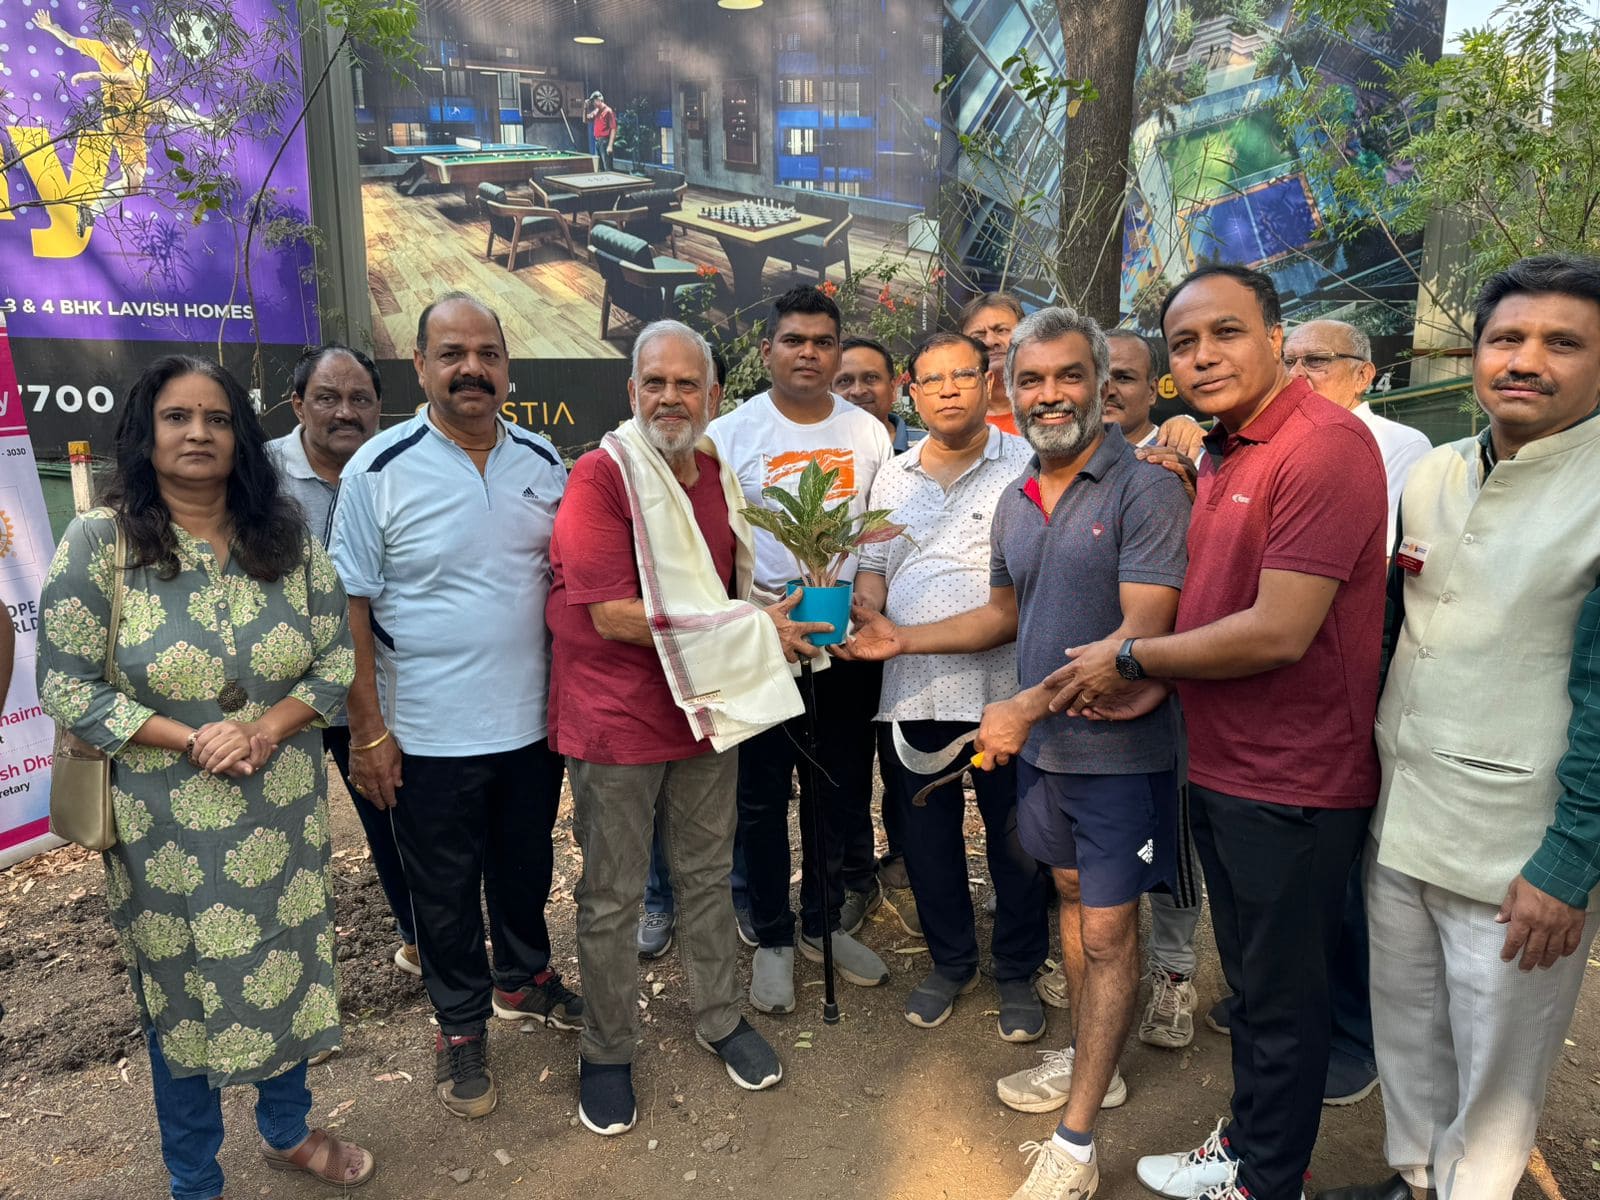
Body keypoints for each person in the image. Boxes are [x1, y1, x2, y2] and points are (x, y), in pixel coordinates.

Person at [1047, 266, 1387, 1200]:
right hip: (1226, 762)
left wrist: (1129, 660)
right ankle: (1246, 1144)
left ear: (1277, 338)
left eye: (1226, 333)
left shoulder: (1323, 446)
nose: (1203, 357)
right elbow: (1219, 590)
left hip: (1296, 778)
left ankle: (1268, 1180)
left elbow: (1278, 631)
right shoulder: (1229, 450)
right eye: (1185, 344)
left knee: (1284, 996)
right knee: (1251, 987)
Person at [846, 308, 1191, 1200]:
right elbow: (1004, 616)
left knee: (1108, 930)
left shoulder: (1145, 489)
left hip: (1119, 752)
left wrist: (1021, 707)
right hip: (1048, 751)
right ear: (1015, 391)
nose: (1050, 395)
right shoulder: (1019, 499)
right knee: (1072, 899)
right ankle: (1091, 1061)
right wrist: (903, 641)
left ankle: (1075, 1147)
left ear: (1103, 382)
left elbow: (1140, 635)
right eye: (1032, 380)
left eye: (1070, 376)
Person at [37, 355, 371, 1200]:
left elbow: (334, 661)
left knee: (287, 971)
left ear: (241, 436)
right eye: (177, 417)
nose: (198, 433)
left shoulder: (286, 539)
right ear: (145, 434)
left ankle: (288, 1130)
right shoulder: (101, 545)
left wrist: (264, 728)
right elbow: (68, 685)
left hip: (281, 811)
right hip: (165, 831)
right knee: (181, 997)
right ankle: (195, 1176)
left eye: (217, 419)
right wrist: (190, 739)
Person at [1324, 255, 1600, 1200]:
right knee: (1408, 1029)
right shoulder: (1435, 474)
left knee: (1496, 1068)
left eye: (1562, 343)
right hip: (1403, 814)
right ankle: (1416, 1180)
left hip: (1518, 846)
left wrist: (1568, 863)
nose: (1525, 361)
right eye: (1506, 339)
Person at [550, 320, 823, 1135]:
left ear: (713, 395)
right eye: (655, 383)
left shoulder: (713, 470)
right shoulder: (602, 476)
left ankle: (719, 1017)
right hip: (616, 719)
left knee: (706, 874)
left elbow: (723, 590)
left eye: (686, 384)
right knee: (612, 894)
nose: (670, 397)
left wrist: (777, 614)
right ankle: (606, 1049)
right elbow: (612, 615)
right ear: (631, 392)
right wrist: (755, 630)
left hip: (706, 708)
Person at [329, 292, 581, 1120]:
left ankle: (523, 977)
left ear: (507, 367)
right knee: (441, 888)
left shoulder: (542, 460)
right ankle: (461, 1023)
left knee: (526, 864)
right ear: (420, 366)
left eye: (487, 354)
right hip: (427, 732)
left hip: (532, 722)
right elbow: (349, 605)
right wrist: (369, 730)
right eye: (452, 354)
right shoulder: (379, 470)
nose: (472, 369)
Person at [845, 330, 1050, 1038]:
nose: (948, 390)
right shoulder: (893, 475)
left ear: (989, 381)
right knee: (927, 839)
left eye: (962, 374)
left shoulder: (1027, 463)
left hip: (1007, 687)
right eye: (931, 380)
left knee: (1017, 838)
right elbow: (875, 568)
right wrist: (861, 608)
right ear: (913, 392)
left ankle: (1017, 968)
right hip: (915, 687)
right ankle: (951, 961)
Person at [705, 285, 895, 1015]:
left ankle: (822, 922)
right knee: (759, 798)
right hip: (760, 643)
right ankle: (773, 936)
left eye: (822, 341)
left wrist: (865, 602)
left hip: (840, 644)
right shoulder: (731, 434)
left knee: (837, 788)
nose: (809, 353)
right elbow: (714, 546)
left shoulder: (866, 433)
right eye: (794, 340)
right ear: (768, 351)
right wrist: (752, 622)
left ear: (838, 351)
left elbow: (876, 540)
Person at [1279, 318, 1434, 1105]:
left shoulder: (1398, 446)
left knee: (1346, 866)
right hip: (1277, 675)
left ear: (1365, 373)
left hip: (1353, 667)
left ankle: (1354, 1034)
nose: (1299, 372)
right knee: (1290, 865)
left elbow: (1362, 566)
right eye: (1290, 359)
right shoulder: (1271, 438)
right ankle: (1287, 1010)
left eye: (1318, 360)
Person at [266, 345, 415, 983]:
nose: (345, 412)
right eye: (327, 398)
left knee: (391, 810)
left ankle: (421, 938)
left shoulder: (396, 467)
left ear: (379, 407)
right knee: (278, 831)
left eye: (360, 399)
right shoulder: (258, 476)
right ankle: (281, 973)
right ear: (298, 405)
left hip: (373, 681)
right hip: (280, 693)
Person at [1102, 327, 1207, 1052]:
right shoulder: (1055, 464)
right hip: (1081, 681)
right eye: (1098, 373)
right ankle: (1087, 955)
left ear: (1153, 389)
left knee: (1170, 833)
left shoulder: (1180, 465)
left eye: (1126, 376)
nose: (1110, 388)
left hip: (1161, 683)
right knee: (1088, 834)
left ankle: (1173, 972)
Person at [831, 335, 918, 936]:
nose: (859, 390)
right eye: (846, 380)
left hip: (924, 644)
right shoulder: (827, 452)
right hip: (854, 636)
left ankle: (910, 862)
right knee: (850, 764)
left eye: (871, 378)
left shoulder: (927, 449)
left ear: (895, 384)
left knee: (906, 767)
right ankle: (858, 876)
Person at [960, 293, 1026, 436]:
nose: (990, 341)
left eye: (1001, 330)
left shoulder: (1049, 407)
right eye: (978, 335)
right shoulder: (954, 419)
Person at [585, 91, 617, 171]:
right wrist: (585, 108)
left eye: (594, 101)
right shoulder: (596, 111)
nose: (593, 104)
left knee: (607, 167)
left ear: (599, 100)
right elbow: (585, 120)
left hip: (605, 141)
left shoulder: (608, 111)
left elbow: (613, 128)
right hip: (597, 141)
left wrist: (610, 145)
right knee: (600, 167)